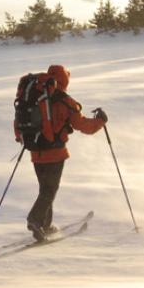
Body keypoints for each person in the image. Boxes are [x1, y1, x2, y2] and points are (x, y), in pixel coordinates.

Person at [26, 64, 107, 241]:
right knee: (50, 190)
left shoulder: (35, 97)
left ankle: (45, 225)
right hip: (55, 153)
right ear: (64, 80)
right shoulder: (65, 101)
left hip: (35, 152)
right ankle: (35, 220)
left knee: (45, 190)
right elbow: (83, 126)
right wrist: (100, 121)